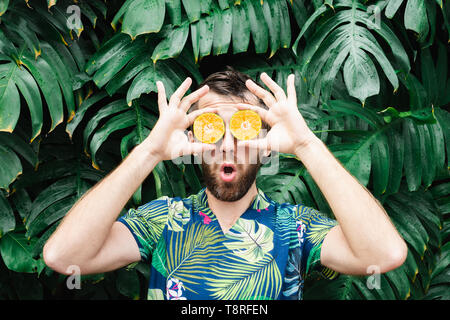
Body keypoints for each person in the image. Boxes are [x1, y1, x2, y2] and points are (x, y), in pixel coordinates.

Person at [43, 68, 408, 300]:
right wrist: (150, 150)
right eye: (212, 128)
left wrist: (306, 145)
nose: (228, 144)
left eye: (245, 128)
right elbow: (64, 257)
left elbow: (384, 255)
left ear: (266, 146)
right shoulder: (162, 221)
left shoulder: (295, 227)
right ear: (194, 143)